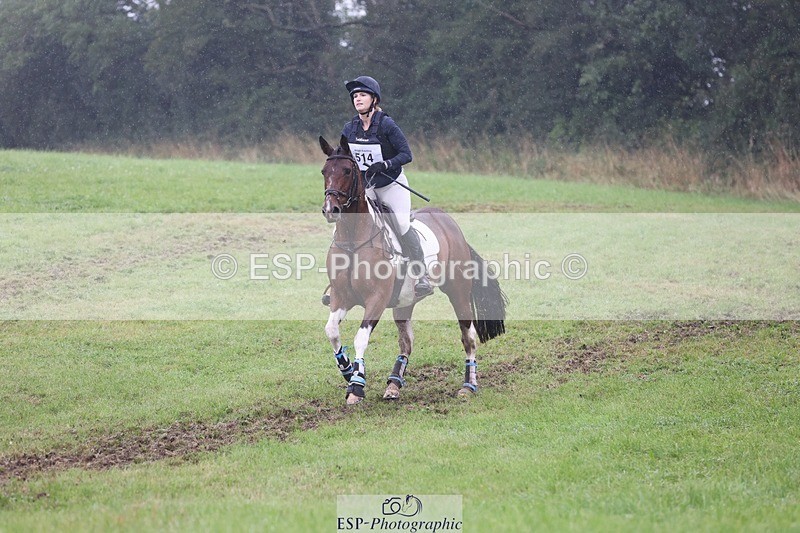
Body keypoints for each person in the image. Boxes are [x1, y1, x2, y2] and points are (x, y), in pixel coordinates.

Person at [342, 75, 433, 298]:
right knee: (348, 224)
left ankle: (421, 276)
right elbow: (344, 157)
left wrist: (385, 163)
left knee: (401, 224)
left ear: (374, 99)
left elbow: (406, 154)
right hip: (367, 186)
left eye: (362, 94)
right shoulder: (350, 128)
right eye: (355, 96)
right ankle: (341, 280)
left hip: (392, 185)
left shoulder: (386, 124)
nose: (357, 99)